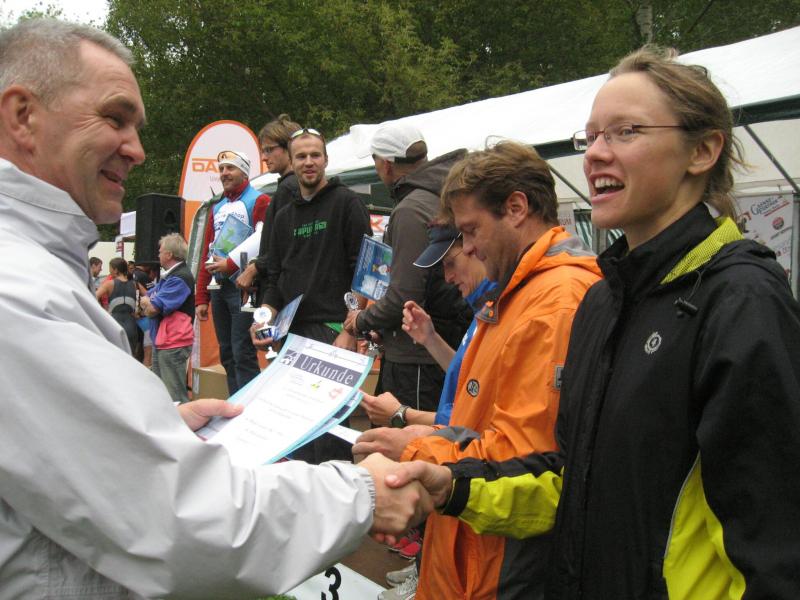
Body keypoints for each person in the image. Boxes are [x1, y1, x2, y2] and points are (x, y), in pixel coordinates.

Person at [0, 18, 431, 598]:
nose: (137, 149)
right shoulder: (20, 290)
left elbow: (60, 448)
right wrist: (362, 494)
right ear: (22, 115)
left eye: (135, 126)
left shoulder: (35, 269)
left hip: (330, 328)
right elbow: (172, 518)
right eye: (114, 118)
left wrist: (152, 425)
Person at [390, 47, 800, 599]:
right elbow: (566, 480)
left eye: (626, 132)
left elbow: (774, 548)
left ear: (703, 151)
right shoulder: (604, 300)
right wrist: (451, 486)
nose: (596, 154)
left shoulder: (742, 301)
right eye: (591, 138)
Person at [354, 141, 602, 599]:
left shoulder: (555, 302)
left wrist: (414, 447)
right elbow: (480, 422)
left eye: (470, 231)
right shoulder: (514, 294)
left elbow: (520, 461)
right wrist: (424, 435)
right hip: (473, 549)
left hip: (496, 562)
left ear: (516, 209)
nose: (467, 247)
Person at [255, 127, 373, 463]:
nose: (309, 162)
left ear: (326, 159)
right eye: (302, 156)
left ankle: (339, 492)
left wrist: (350, 329)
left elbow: (364, 271)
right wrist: (264, 317)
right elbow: (275, 278)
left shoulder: (347, 203)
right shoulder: (283, 216)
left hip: (333, 332)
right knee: (295, 427)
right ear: (291, 163)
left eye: (315, 155)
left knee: (330, 430)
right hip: (292, 336)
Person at [344, 122, 471, 414]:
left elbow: (404, 297)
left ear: (386, 164)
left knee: (400, 436)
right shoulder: (441, 192)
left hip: (417, 360)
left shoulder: (411, 209)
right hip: (440, 350)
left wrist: (360, 321)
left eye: (375, 161)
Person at [360, 225, 494, 428]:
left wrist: (402, 414)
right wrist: (430, 339)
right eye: (443, 267)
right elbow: (468, 377)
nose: (448, 277)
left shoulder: (500, 309)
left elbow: (480, 415)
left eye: (451, 263)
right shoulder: (484, 306)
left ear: (473, 246)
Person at [195, 149, 269, 395]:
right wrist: (202, 296)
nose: (224, 173)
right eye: (221, 169)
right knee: (226, 352)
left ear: (244, 172)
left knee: (242, 351)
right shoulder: (217, 207)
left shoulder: (259, 200)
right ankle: (235, 403)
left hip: (244, 287)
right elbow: (208, 250)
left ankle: (249, 408)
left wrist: (240, 267)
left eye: (230, 168)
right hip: (219, 287)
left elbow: (265, 243)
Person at [236, 114, 301, 298]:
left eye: (270, 150)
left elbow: (287, 245)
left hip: (282, 292)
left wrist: (255, 268)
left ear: (289, 148)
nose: (264, 157)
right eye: (263, 151)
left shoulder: (290, 188)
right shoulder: (288, 186)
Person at [139, 233, 195, 404]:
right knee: (162, 395)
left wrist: (148, 303)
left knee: (174, 397)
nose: (158, 254)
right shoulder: (171, 276)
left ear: (169, 254)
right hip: (164, 342)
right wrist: (148, 302)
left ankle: (181, 420)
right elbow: (148, 298)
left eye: (160, 251)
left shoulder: (179, 278)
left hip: (173, 343)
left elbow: (151, 309)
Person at [96, 256, 139, 354]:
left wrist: (102, 312)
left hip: (115, 323)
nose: (109, 271)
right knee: (130, 357)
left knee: (114, 356)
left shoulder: (109, 284)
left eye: (110, 268)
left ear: (115, 270)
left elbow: (94, 296)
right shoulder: (134, 284)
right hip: (131, 324)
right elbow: (137, 304)